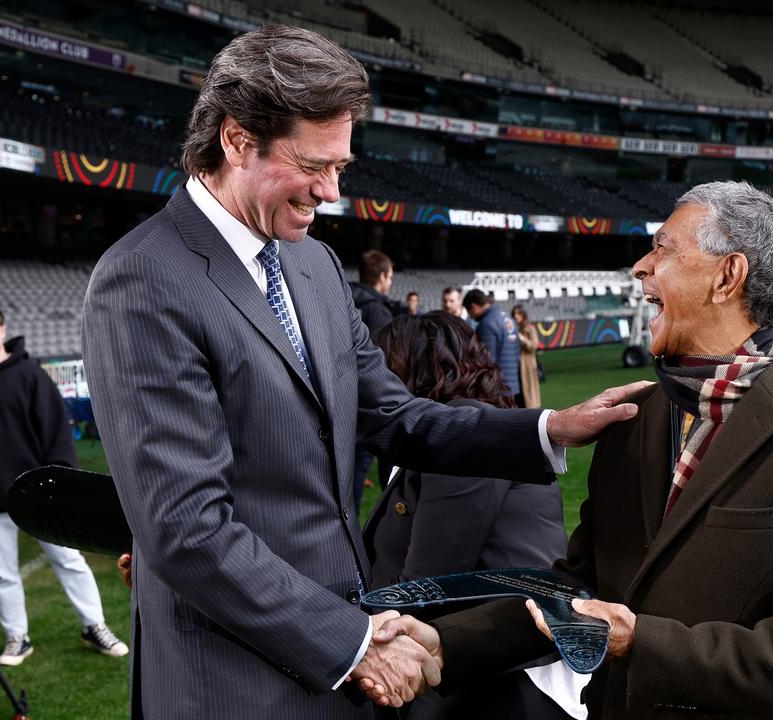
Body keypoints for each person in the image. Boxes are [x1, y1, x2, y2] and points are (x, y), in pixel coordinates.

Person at [80, 24, 646, 719]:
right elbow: (188, 528)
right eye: (314, 164)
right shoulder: (143, 281)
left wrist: (549, 427)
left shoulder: (312, 264)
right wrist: (353, 643)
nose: (331, 190)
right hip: (230, 681)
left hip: (332, 664)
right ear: (235, 139)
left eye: (341, 166)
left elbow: (393, 415)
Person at [371, 182, 773, 719]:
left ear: (727, 277)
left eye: (663, 248)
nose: (640, 267)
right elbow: (579, 586)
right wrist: (449, 643)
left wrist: (641, 642)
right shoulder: (634, 415)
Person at [364, 312, 576, 719]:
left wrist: (351, 641)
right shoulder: (467, 432)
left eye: (382, 367)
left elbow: (427, 584)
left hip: (504, 679)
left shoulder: (464, 439)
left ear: (415, 368)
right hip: (473, 662)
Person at [0, 302, 128, 667]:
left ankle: (94, 625)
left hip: (39, 496)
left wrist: (59, 489)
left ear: (2, 331)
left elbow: (56, 435)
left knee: (70, 561)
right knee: (3, 573)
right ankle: (17, 637)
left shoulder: (30, 375)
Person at [348, 249, 404, 508]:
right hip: (369, 405)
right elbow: (384, 365)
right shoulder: (378, 311)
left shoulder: (346, 298)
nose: (390, 282)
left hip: (344, 398)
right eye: (390, 276)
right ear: (382, 277)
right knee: (368, 468)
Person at [463, 289, 522, 406]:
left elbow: (487, 361)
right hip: (512, 384)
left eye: (469, 312)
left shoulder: (486, 324)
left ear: (473, 306)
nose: (471, 316)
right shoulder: (509, 319)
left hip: (497, 388)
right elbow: (517, 353)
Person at [512, 304, 543, 409]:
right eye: (514, 314)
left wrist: (522, 338)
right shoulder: (514, 329)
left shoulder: (530, 329)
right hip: (516, 365)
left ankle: (532, 411)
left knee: (529, 393)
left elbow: (534, 346)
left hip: (528, 365)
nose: (516, 316)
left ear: (523, 315)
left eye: (518, 313)